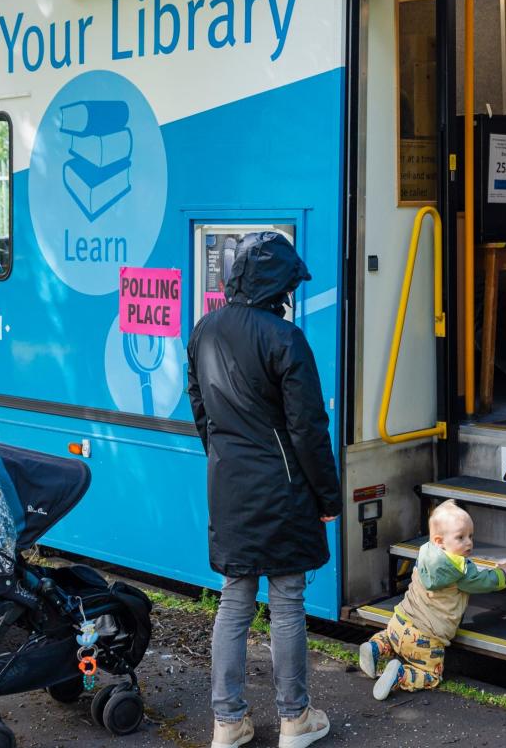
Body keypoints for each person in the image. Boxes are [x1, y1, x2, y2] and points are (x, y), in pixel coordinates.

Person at [186, 232, 342, 748]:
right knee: (288, 599)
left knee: (235, 599)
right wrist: (328, 497)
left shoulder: (204, 329)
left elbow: (201, 410)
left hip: (227, 482)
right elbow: (308, 429)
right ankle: (295, 719)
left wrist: (226, 455)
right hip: (281, 486)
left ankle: (227, 723)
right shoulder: (285, 339)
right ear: (280, 286)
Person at [359, 500, 506, 700]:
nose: (468, 542)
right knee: (431, 675)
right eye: (460, 537)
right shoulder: (462, 571)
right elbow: (484, 582)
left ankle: (375, 647)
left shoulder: (426, 553)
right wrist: (502, 572)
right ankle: (401, 675)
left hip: (399, 622)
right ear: (440, 541)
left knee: (390, 639)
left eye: (470, 536)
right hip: (426, 637)